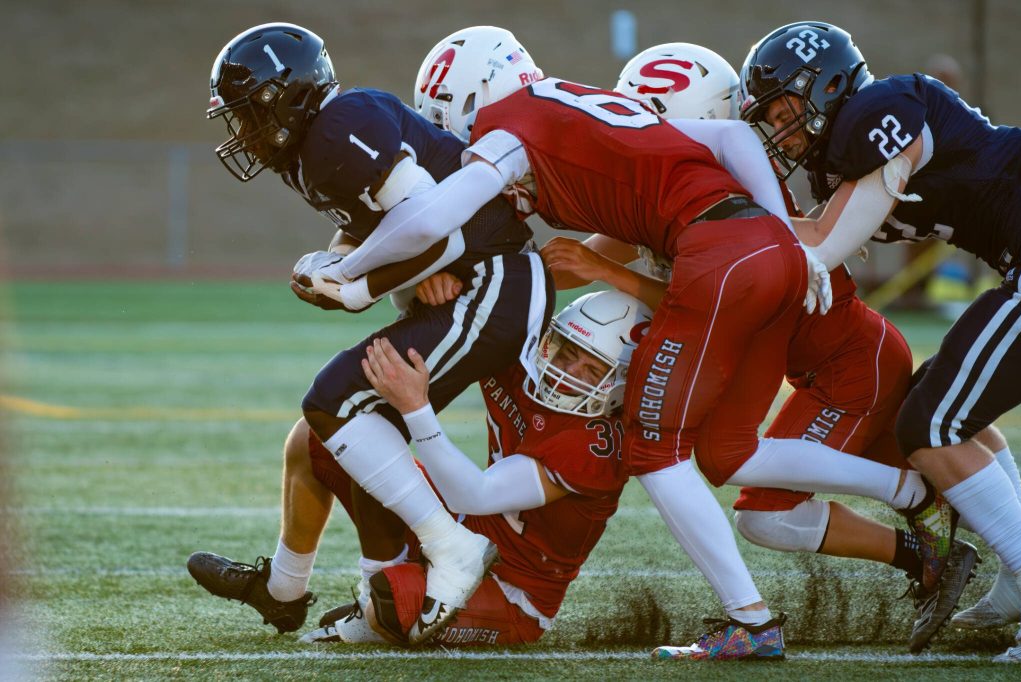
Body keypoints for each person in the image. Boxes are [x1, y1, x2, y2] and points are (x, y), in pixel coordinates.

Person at [308, 23, 970, 659]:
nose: (460, 157)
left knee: (656, 450)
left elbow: (436, 216)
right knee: (725, 456)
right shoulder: (582, 115)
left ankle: (755, 621)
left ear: (471, 111)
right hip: (744, 267)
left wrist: (348, 272)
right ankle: (911, 507)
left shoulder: (512, 132)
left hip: (765, 293)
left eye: (457, 142)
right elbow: (718, 152)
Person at [188, 23, 551, 644]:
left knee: (333, 401)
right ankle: (291, 591)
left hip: (498, 281)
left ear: (288, 96)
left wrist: (357, 284)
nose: (243, 133)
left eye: (249, 115)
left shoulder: (339, 124)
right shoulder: (310, 150)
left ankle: (446, 550)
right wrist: (345, 264)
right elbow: (380, 231)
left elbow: (436, 228)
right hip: (480, 279)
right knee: (324, 438)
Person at [740, 20, 1021, 663]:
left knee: (930, 425)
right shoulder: (849, 158)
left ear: (830, 85)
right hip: (1016, 260)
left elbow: (823, 243)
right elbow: (814, 232)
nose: (782, 129)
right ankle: (1016, 572)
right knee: (933, 404)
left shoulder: (881, 108)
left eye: (787, 110)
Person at [296, 291, 696, 650]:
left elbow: (474, 494)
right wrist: (427, 285)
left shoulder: (594, 445)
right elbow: (451, 321)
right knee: (338, 441)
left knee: (392, 608)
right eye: (567, 351)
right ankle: (318, 583)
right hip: (466, 526)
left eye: (593, 371)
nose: (566, 372)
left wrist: (416, 409)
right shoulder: (522, 368)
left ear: (624, 384)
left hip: (513, 590)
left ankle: (387, 592)